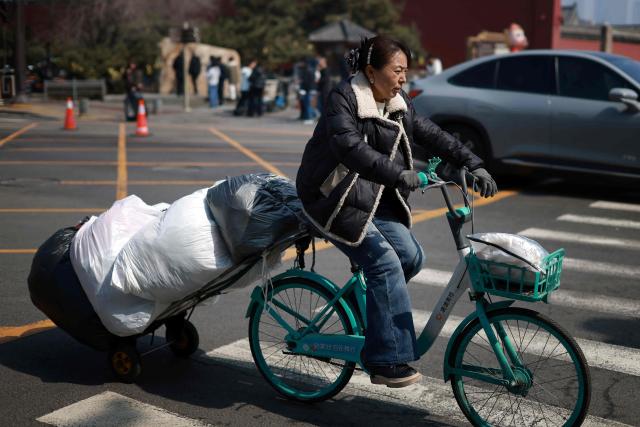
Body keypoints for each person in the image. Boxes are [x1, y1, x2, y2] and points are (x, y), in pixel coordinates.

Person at [295, 36, 497, 388]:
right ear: (371, 72)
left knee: (411, 257)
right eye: (398, 70)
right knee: (385, 263)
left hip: (369, 193)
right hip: (331, 196)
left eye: (406, 70)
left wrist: (472, 162)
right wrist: (400, 174)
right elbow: (349, 147)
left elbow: (431, 133)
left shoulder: (396, 100)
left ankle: (372, 321)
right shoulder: (342, 98)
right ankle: (386, 360)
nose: (404, 78)